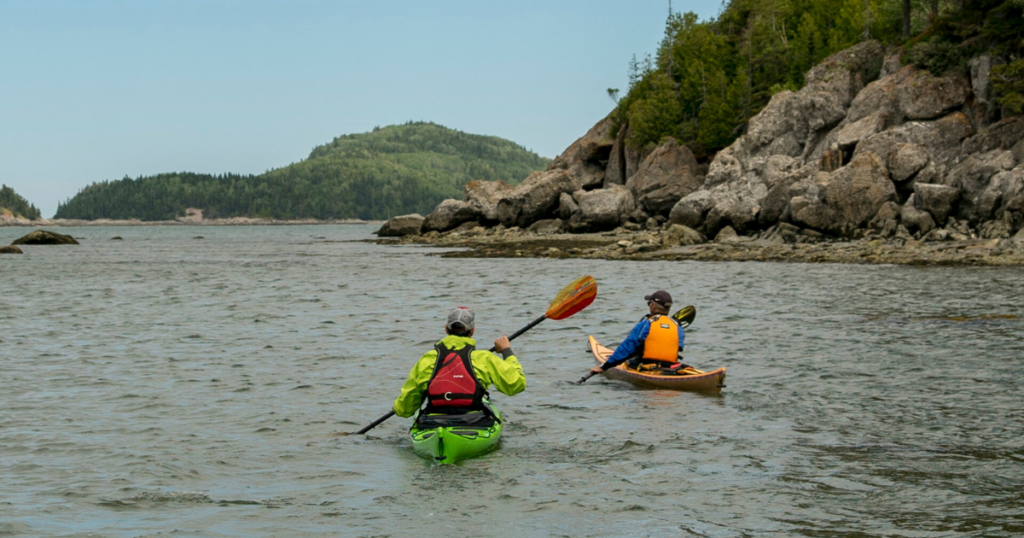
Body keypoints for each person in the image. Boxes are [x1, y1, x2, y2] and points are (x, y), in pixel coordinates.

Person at [393, 306, 526, 426]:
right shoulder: (484, 358)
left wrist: (397, 408)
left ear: (446, 329)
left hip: (433, 423)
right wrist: (506, 350)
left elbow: (404, 410)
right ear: (472, 330)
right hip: (474, 421)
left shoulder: (427, 359)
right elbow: (516, 385)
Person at [589, 290, 685, 375]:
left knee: (630, 358)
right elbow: (679, 347)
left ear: (653, 305)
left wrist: (603, 367)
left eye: (649, 303)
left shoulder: (646, 324)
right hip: (670, 367)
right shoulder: (677, 327)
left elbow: (627, 348)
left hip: (645, 367)